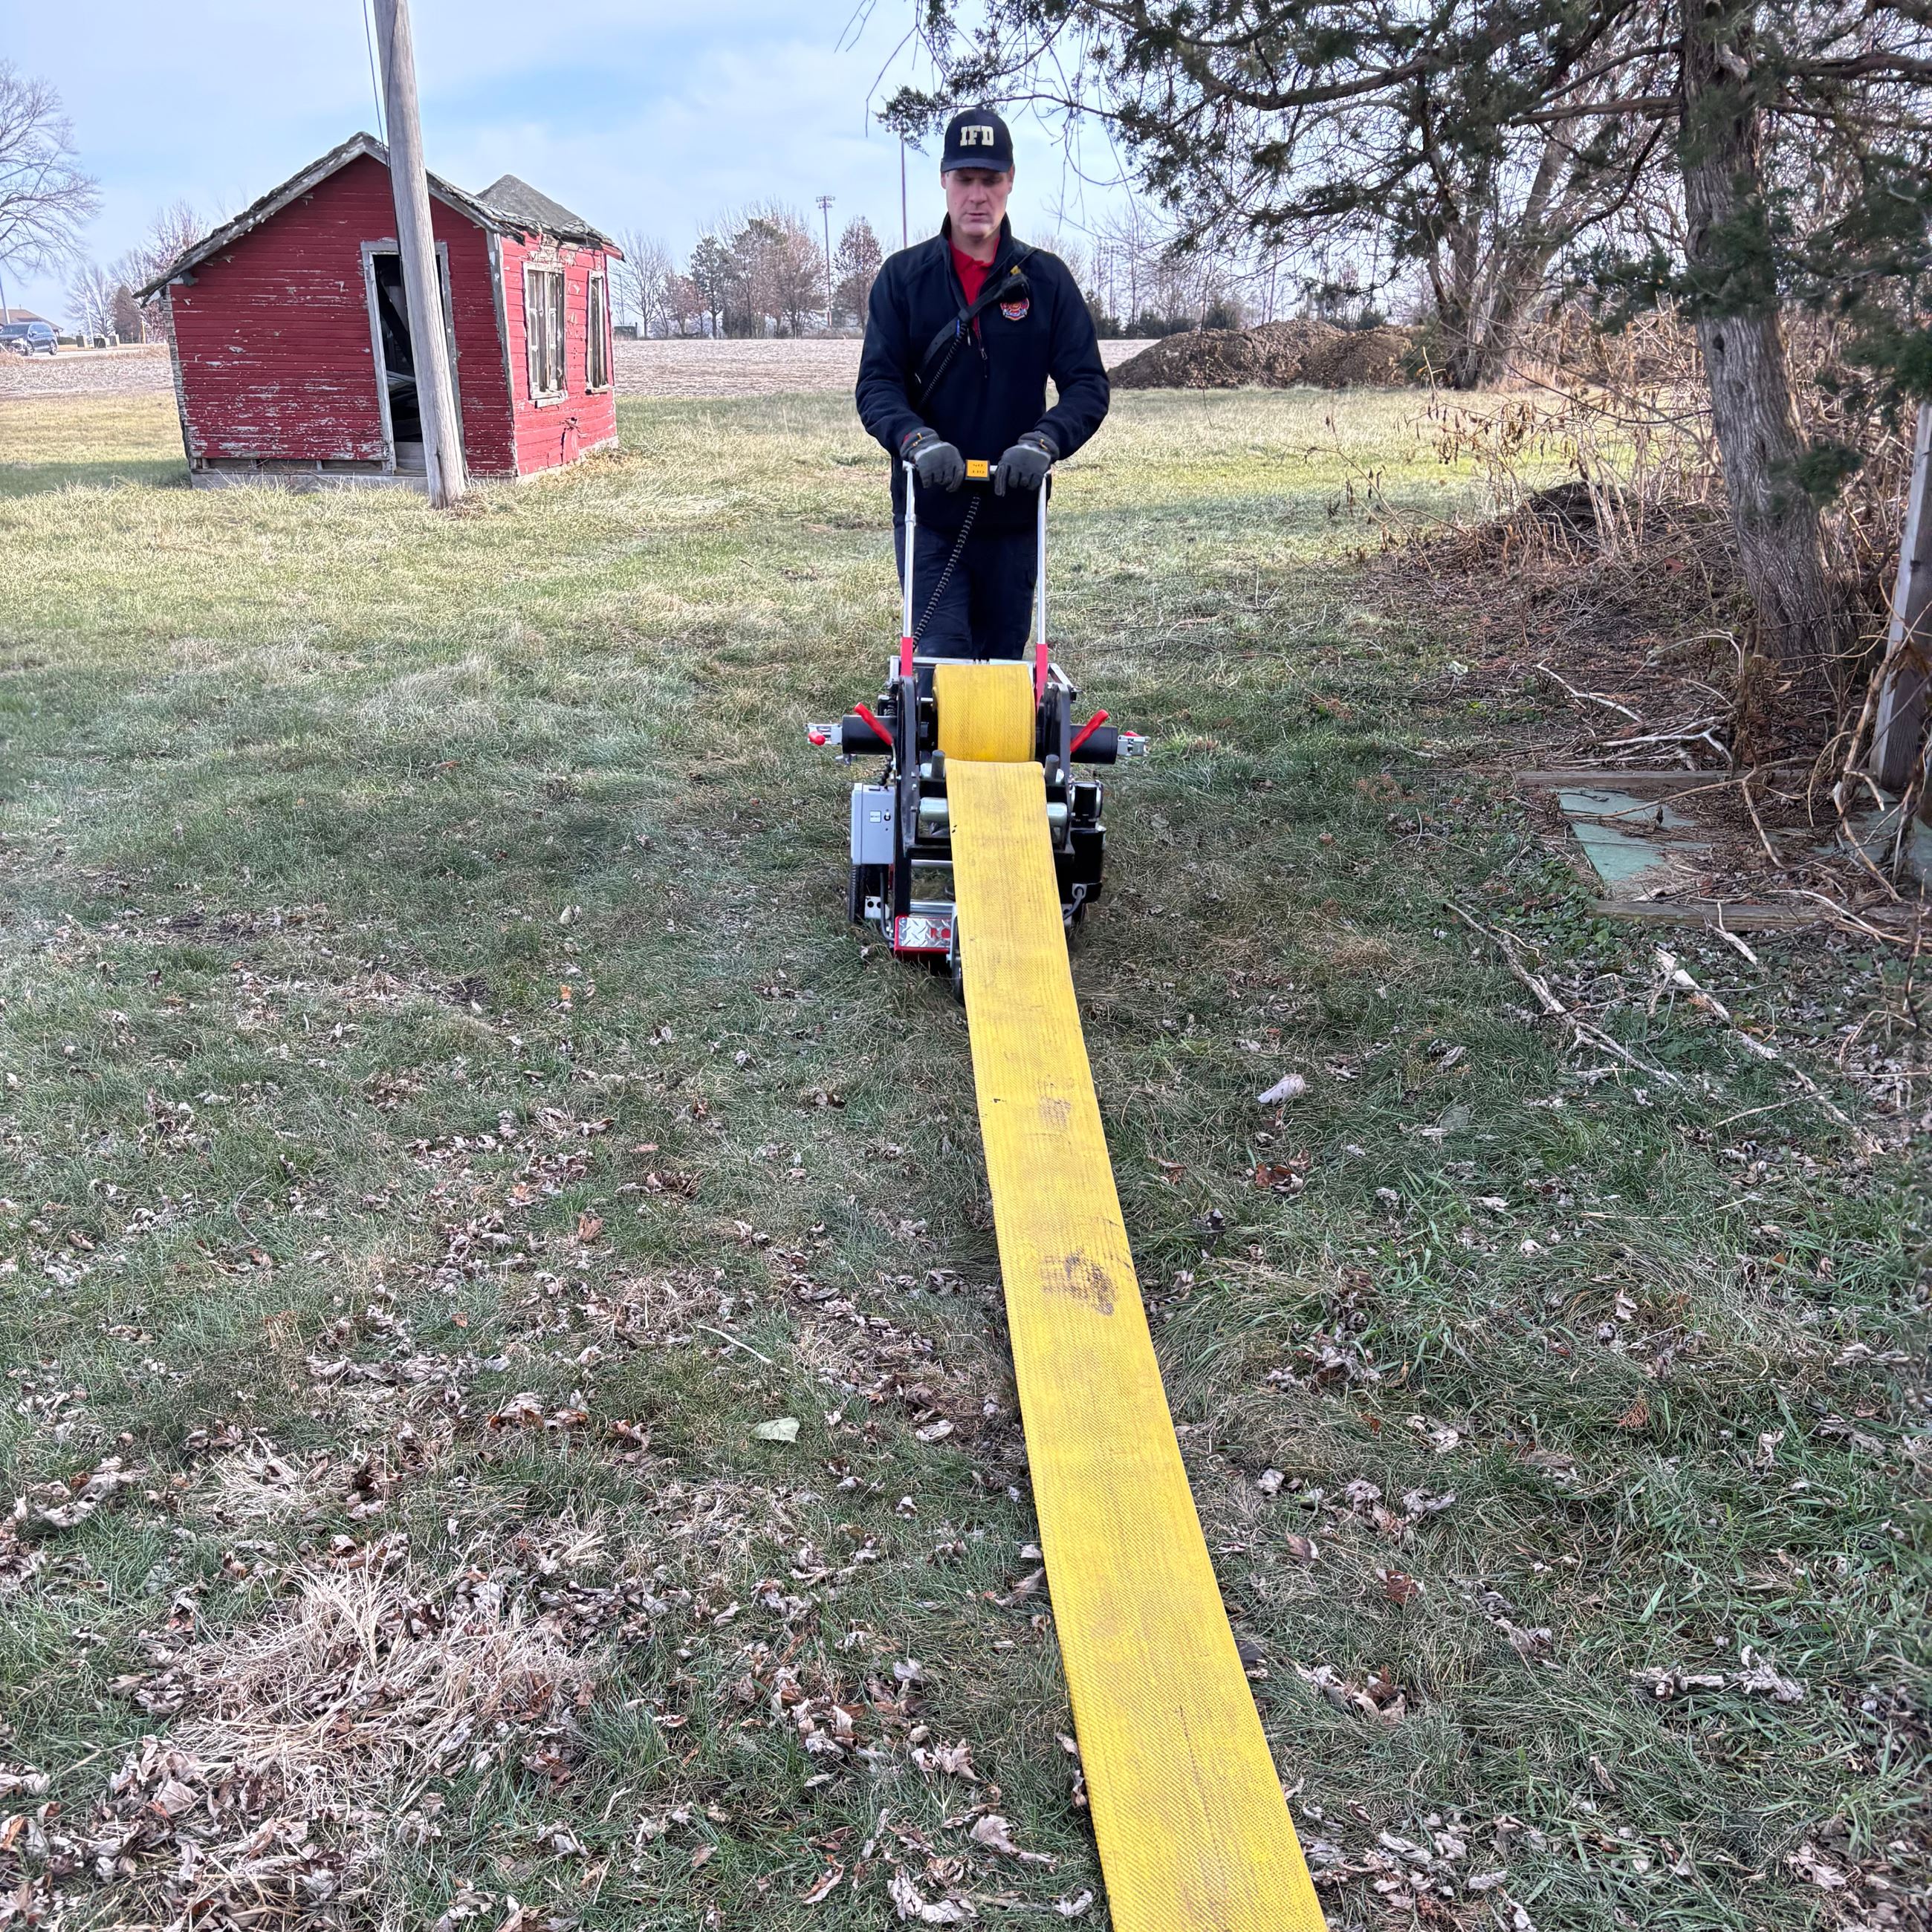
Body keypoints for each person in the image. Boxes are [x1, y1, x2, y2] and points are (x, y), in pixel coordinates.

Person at [856, 107, 1110, 660]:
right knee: (940, 673)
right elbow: (877, 387)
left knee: (1003, 677)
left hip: (1014, 516)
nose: (978, 195)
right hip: (931, 516)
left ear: (1011, 182)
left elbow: (1088, 385)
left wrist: (1043, 443)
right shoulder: (903, 280)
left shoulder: (1046, 280)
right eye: (965, 179)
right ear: (944, 181)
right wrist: (917, 442)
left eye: (991, 180)